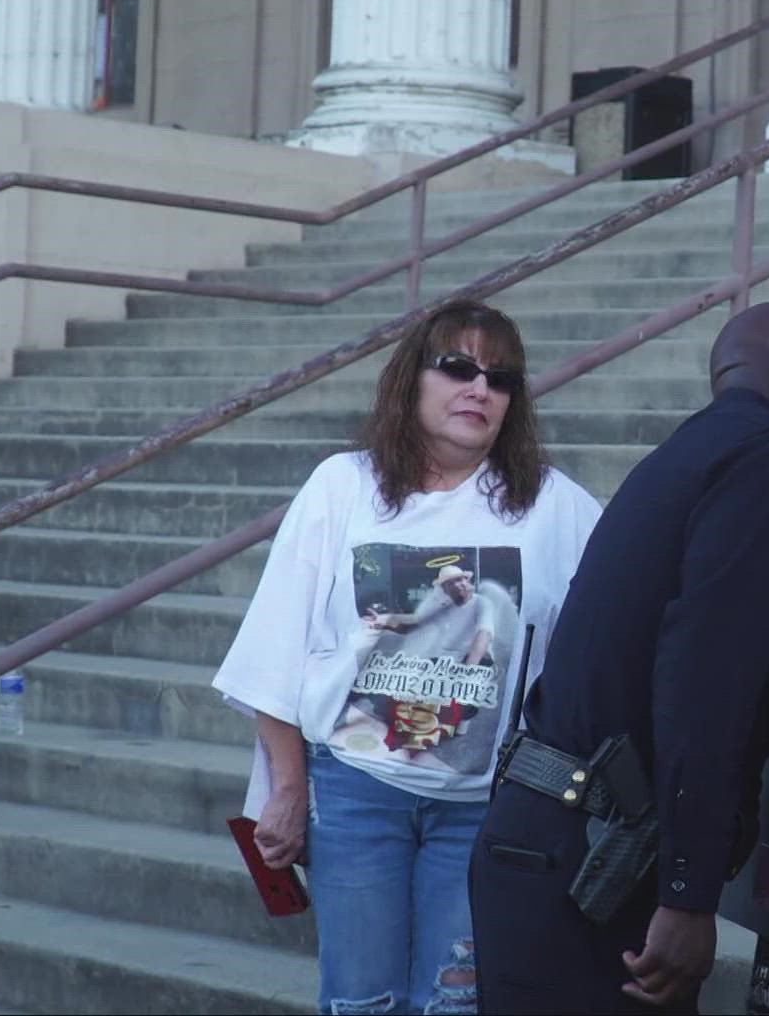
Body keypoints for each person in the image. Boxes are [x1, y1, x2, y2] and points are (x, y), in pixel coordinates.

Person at [211, 299, 603, 1016]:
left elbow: (628, 614)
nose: (479, 388)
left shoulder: (556, 507)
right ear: (410, 380)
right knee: (361, 1000)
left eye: (500, 377)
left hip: (484, 808)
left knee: (453, 1006)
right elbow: (276, 649)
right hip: (357, 794)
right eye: (457, 367)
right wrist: (289, 789)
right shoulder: (343, 487)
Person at [468, 302, 769, 1014]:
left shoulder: (694, 450)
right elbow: (709, 681)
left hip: (550, 836)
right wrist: (688, 894)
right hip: (596, 856)